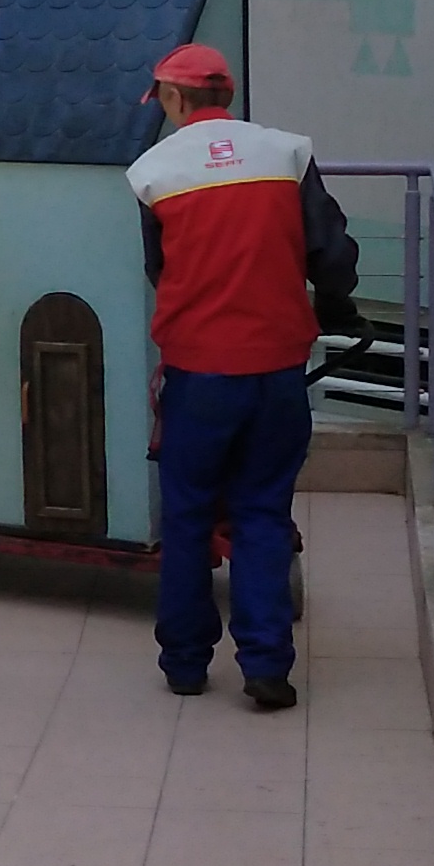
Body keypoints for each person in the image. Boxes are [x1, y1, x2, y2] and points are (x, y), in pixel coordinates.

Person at [128, 43, 358, 709]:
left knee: (189, 516)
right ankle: (265, 666)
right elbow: (330, 251)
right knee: (263, 511)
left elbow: (160, 270)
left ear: (175, 99)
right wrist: (333, 301)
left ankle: (185, 664)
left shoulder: (153, 172)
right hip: (276, 369)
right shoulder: (286, 154)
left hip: (199, 372)